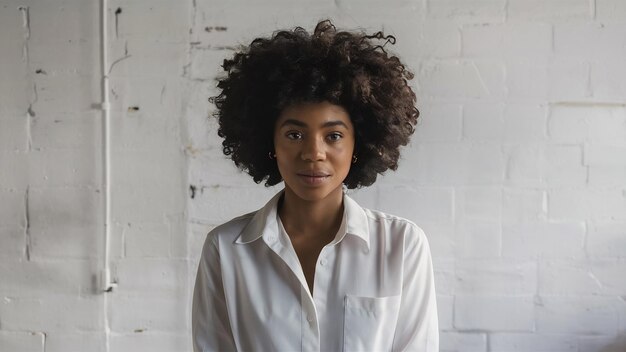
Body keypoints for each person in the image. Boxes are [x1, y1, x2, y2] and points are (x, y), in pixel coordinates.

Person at [192, 20, 438, 352]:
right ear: (271, 143)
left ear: (358, 145)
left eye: (333, 135)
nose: (313, 153)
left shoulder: (401, 247)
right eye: (295, 135)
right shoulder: (225, 250)